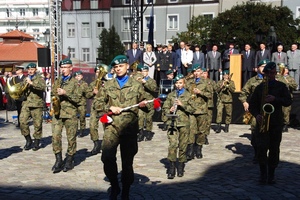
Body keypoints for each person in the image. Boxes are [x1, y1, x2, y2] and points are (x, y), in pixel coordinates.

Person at [94, 55, 148, 199]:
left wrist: (145, 105)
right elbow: (97, 104)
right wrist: (109, 106)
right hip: (112, 126)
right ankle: (115, 185)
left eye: (121, 66)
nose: (118, 69)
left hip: (129, 128)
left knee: (127, 162)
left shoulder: (136, 85)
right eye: (116, 67)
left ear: (127, 66)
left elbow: (147, 105)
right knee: (107, 157)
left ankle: (125, 190)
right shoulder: (108, 85)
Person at [249, 61, 292, 184]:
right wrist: (256, 115)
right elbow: (252, 104)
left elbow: (288, 101)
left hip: (275, 123)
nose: (271, 75)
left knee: (274, 149)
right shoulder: (260, 88)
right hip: (262, 122)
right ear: (265, 74)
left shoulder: (281, 86)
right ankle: (263, 174)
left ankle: (271, 174)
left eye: (273, 73)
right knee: (262, 148)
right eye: (268, 73)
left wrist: (275, 99)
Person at [51, 58, 82, 173]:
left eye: (66, 67)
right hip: (58, 114)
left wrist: (66, 93)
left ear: (71, 68)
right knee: (55, 136)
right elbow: (53, 94)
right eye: (62, 68)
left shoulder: (75, 82)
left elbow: (78, 99)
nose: (63, 70)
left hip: (70, 114)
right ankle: (58, 160)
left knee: (71, 138)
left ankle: (69, 159)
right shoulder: (58, 81)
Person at [162, 74, 195, 179]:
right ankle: (171, 169)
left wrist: (182, 105)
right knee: (172, 145)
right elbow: (164, 109)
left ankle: (180, 167)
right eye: (176, 83)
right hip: (172, 123)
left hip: (184, 124)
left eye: (180, 83)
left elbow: (193, 109)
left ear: (184, 84)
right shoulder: (171, 95)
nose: (178, 85)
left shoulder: (188, 95)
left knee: (183, 146)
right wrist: (169, 110)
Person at [239, 59, 270, 163]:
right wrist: (244, 101)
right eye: (262, 66)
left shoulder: (274, 78)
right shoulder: (252, 81)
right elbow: (243, 92)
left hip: (271, 111)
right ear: (258, 68)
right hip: (256, 110)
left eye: (266, 66)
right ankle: (257, 154)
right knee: (255, 132)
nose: (264, 68)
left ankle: (268, 153)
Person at [185, 64, 210, 160]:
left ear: (201, 72)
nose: (196, 73)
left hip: (202, 110)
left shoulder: (206, 82)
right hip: (191, 110)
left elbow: (210, 95)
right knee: (191, 131)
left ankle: (199, 149)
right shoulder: (189, 82)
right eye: (194, 72)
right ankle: (190, 151)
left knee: (201, 131)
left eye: (198, 71)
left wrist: (200, 92)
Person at [19, 63, 46, 151]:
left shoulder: (40, 78)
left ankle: (37, 142)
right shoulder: (25, 78)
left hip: (36, 104)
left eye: (32, 69)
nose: (30, 71)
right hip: (26, 103)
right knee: (22, 122)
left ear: (35, 69)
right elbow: (21, 89)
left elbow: (42, 87)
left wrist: (31, 83)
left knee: (37, 124)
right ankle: (28, 140)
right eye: (29, 69)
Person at [86, 64, 109, 155]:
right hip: (95, 108)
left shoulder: (107, 84)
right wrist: (93, 92)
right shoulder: (92, 84)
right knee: (92, 126)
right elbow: (87, 95)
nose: (98, 74)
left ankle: (106, 144)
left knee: (106, 127)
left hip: (104, 108)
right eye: (97, 72)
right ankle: (96, 144)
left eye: (100, 72)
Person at [137, 66, 157, 142]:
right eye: (142, 71)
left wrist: (145, 83)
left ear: (148, 72)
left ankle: (148, 133)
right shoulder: (138, 80)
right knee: (140, 118)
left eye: (145, 71)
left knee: (149, 119)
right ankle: (141, 133)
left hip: (149, 103)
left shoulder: (151, 81)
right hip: (141, 102)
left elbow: (153, 88)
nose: (143, 73)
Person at [277, 64, 298, 132]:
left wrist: (288, 83)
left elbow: (295, 86)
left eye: (285, 69)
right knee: (279, 111)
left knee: (286, 112)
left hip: (286, 97)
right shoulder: (278, 77)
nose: (283, 70)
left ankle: (285, 125)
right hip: (279, 97)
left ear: (287, 70)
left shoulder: (289, 78)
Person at [201, 68, 216, 144]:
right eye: (202, 73)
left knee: (208, 121)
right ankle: (201, 136)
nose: (203, 74)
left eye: (205, 73)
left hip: (209, 104)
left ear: (207, 74)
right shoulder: (199, 82)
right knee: (201, 122)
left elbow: (216, 89)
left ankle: (205, 135)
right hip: (201, 105)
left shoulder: (211, 82)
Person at [74, 71, 89, 138]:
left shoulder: (84, 84)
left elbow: (85, 91)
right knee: (74, 118)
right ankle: (74, 130)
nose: (77, 77)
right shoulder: (73, 83)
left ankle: (82, 131)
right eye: (76, 76)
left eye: (79, 76)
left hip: (81, 103)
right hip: (74, 103)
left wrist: (79, 87)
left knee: (82, 117)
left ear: (82, 76)